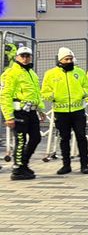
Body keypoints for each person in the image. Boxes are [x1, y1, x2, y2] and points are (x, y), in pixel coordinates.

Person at [41, 48, 88, 175]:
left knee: (81, 137)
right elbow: (44, 92)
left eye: (70, 59)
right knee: (64, 139)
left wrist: (83, 93)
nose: (69, 61)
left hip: (78, 110)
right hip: (61, 111)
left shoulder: (80, 72)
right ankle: (66, 165)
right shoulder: (50, 74)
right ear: (60, 60)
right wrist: (53, 96)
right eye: (66, 59)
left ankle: (84, 165)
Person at [1, 47, 45, 180]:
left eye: (27, 56)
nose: (25, 58)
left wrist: (40, 110)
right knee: (21, 140)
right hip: (19, 111)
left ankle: (23, 163)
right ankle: (17, 169)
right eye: (22, 56)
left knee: (36, 138)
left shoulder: (31, 73)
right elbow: (4, 95)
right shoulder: (10, 73)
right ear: (17, 57)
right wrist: (8, 116)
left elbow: (36, 94)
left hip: (31, 111)